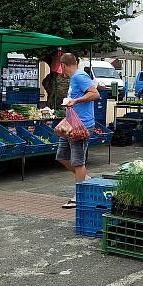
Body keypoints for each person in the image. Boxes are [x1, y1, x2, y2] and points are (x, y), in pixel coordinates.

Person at [57, 53, 100, 209]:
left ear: (63, 65)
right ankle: (87, 179)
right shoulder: (74, 77)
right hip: (70, 125)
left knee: (78, 161)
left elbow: (95, 93)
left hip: (81, 126)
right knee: (62, 157)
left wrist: (75, 100)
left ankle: (79, 195)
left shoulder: (79, 76)